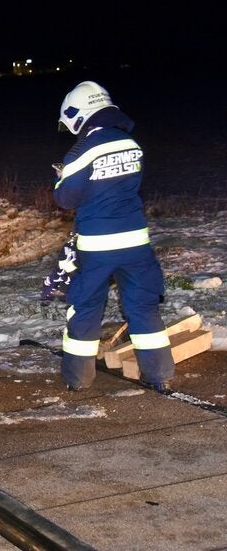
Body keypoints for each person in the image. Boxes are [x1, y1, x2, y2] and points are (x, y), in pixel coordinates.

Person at [53, 81, 174, 391]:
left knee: (86, 307)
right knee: (143, 306)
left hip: (97, 246)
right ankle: (159, 375)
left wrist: (61, 177)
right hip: (136, 243)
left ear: (79, 115)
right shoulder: (131, 143)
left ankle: (78, 379)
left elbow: (66, 198)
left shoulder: (81, 150)